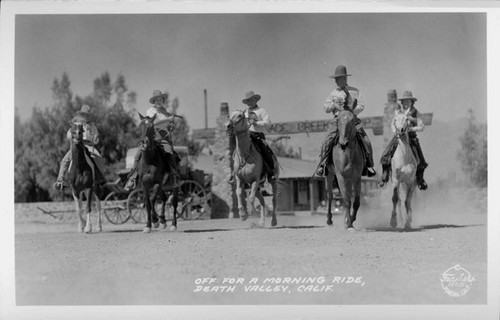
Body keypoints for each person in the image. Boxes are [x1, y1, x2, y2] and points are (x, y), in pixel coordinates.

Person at [314, 65, 376, 177]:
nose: (335, 81)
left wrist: (351, 112)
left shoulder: (355, 91)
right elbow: (325, 107)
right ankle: (323, 165)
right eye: (335, 79)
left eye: (337, 78)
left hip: (352, 120)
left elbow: (361, 106)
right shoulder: (333, 93)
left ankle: (368, 165)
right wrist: (333, 105)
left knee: (366, 141)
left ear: (344, 78)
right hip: (337, 120)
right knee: (326, 141)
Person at [124, 90, 184, 191]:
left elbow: (169, 127)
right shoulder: (150, 111)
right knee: (139, 152)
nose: (159, 101)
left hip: (165, 139)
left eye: (160, 99)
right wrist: (168, 120)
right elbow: (153, 122)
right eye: (157, 100)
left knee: (170, 153)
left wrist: (171, 126)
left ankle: (174, 177)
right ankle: (132, 178)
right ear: (154, 101)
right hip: (153, 138)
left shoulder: (166, 112)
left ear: (162, 100)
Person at [378, 90, 428, 190]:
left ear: (412, 101)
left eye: (408, 101)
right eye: (404, 101)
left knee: (421, 160)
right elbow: (393, 123)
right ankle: (385, 175)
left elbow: (421, 126)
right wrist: (395, 131)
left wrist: (412, 129)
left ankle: (420, 179)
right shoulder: (399, 112)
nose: (406, 103)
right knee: (386, 154)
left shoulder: (415, 112)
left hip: (412, 138)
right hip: (399, 137)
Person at [228, 91, 278, 185]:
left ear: (255, 100)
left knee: (265, 150)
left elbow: (268, 123)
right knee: (235, 152)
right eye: (248, 101)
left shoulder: (261, 111)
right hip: (247, 135)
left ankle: (270, 173)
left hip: (258, 135)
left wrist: (256, 123)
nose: (249, 102)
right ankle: (233, 174)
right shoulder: (244, 113)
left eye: (251, 100)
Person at [54, 105, 106, 189]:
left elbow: (96, 140)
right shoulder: (76, 125)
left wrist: (93, 139)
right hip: (77, 145)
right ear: (81, 115)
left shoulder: (92, 127)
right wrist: (74, 136)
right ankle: (60, 181)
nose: (85, 117)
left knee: (98, 158)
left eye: (87, 115)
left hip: (89, 145)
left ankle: (100, 178)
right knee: (64, 161)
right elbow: (68, 135)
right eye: (84, 115)